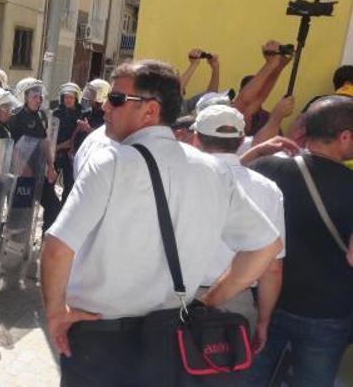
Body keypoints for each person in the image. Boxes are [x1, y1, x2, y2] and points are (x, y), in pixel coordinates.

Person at [40, 60, 282, 386]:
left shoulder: (110, 162)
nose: (105, 108)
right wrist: (209, 301)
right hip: (172, 335)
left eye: (116, 100)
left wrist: (55, 313)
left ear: (150, 111)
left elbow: (57, 248)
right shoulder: (215, 172)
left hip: (100, 337)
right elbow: (266, 246)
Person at [247, 95, 353, 387]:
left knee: (251, 376)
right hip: (327, 310)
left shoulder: (266, 168)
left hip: (266, 299)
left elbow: (228, 184)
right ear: (344, 136)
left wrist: (254, 152)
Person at [190, 104, 286, 353]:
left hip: (172, 297)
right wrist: (263, 322)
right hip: (237, 302)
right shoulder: (267, 189)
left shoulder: (175, 180)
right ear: (241, 140)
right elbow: (272, 268)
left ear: (196, 138)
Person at [8, 77, 60, 232]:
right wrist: (22, 166)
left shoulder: (39, 116)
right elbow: (11, 145)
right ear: (24, 97)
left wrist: (51, 166)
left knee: (54, 207)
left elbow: (45, 142)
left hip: (38, 171)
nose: (39, 100)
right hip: (22, 174)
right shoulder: (15, 118)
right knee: (20, 214)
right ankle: (13, 246)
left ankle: (46, 239)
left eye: (40, 97)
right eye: (34, 97)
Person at [73, 79, 113, 178]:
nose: (88, 95)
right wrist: (72, 148)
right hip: (81, 155)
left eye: (92, 92)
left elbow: (107, 138)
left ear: (100, 93)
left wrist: (88, 129)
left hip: (96, 160)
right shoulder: (86, 112)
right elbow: (76, 132)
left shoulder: (108, 115)